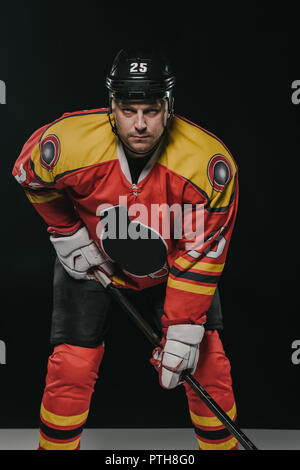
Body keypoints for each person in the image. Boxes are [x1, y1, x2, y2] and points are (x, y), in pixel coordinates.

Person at [12, 48, 239, 451]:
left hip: (175, 269)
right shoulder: (68, 144)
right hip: (92, 263)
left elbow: (204, 248)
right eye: (127, 109)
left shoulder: (208, 164)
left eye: (151, 110)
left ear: (169, 108)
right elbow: (30, 176)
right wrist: (67, 232)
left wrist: (182, 332)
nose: (138, 124)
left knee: (208, 365)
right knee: (72, 366)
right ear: (111, 106)